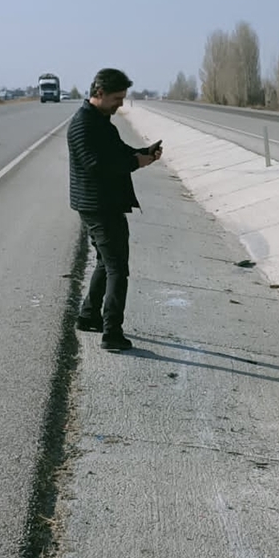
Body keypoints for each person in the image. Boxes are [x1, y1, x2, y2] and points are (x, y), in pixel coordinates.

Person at [68, 68, 162, 352]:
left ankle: (88, 316)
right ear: (99, 93)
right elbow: (96, 166)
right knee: (117, 269)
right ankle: (112, 334)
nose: (120, 104)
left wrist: (144, 153)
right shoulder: (83, 124)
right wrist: (136, 163)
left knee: (104, 263)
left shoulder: (100, 122)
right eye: (117, 98)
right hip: (98, 207)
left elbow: (118, 151)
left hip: (103, 204)